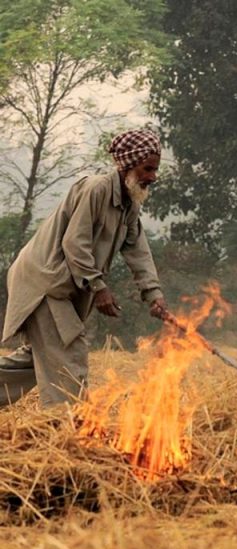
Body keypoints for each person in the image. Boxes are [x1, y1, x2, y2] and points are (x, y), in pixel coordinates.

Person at [1, 129, 168, 407]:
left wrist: (154, 294)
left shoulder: (130, 202)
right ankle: (65, 425)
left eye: (155, 170)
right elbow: (74, 243)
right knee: (69, 350)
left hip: (59, 285)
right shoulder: (95, 189)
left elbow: (138, 249)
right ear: (127, 164)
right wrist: (98, 286)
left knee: (40, 359)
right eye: (147, 168)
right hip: (45, 282)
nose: (152, 177)